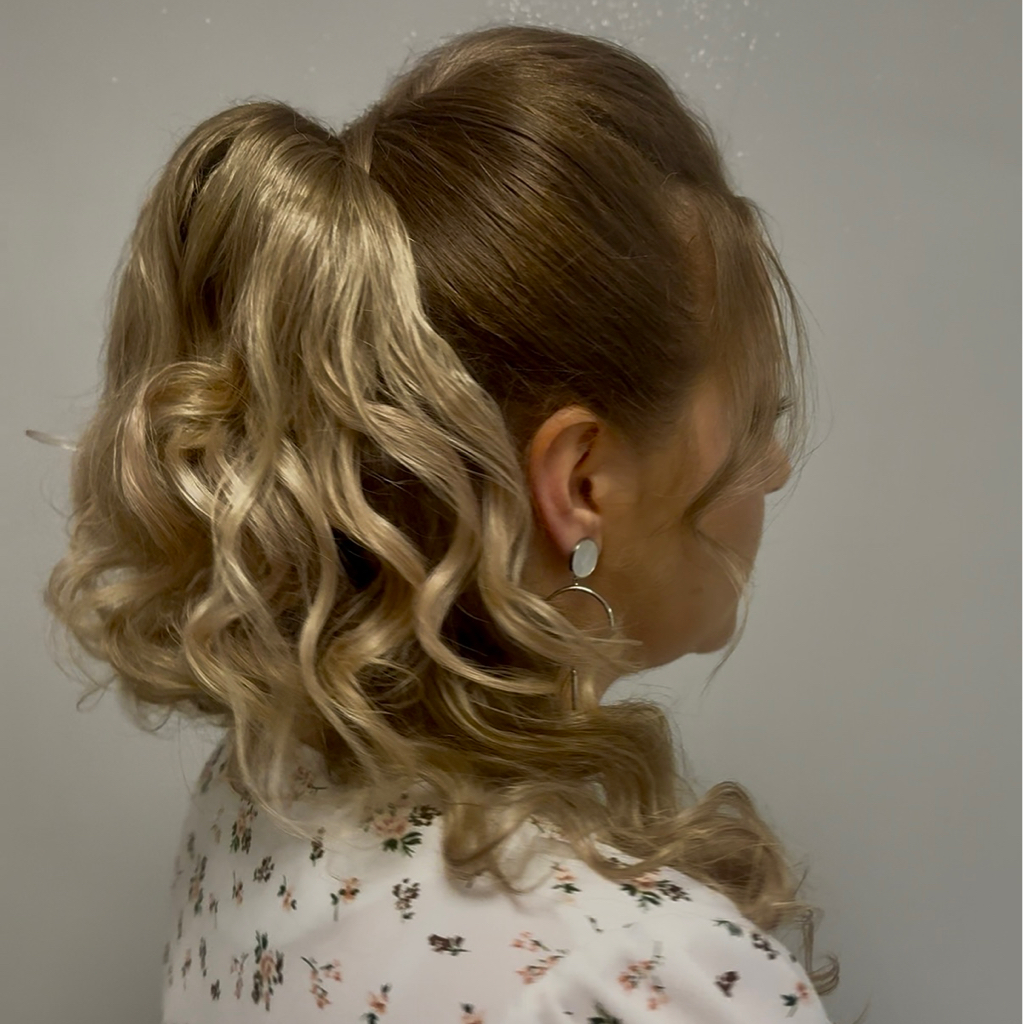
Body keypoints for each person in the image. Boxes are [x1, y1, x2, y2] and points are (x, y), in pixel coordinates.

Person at [45, 23, 846, 1024]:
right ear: (582, 483)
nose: (774, 467)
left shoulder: (261, 792)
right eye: (759, 420)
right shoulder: (640, 978)